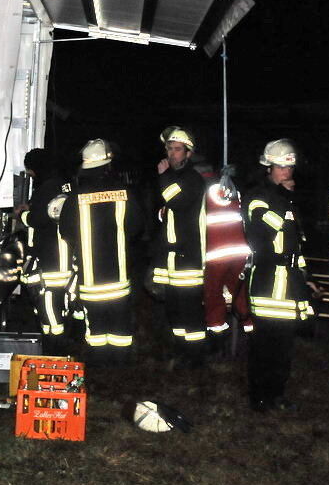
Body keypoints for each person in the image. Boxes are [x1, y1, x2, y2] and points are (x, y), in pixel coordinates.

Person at [243, 140, 315, 412]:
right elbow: (263, 233)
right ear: (268, 167)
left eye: (290, 167)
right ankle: (259, 398)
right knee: (264, 346)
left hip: (289, 284)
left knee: (284, 347)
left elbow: (295, 242)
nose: (287, 172)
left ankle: (277, 395)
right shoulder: (257, 197)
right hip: (266, 281)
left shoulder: (288, 200)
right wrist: (283, 199)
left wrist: (305, 275)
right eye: (282, 167)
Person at [58, 139, 142, 362]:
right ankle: (121, 366)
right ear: (108, 165)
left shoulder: (75, 197)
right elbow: (136, 228)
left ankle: (100, 365)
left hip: (90, 279)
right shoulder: (124, 193)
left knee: (96, 329)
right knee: (120, 327)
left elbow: (65, 232)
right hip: (119, 276)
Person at [153, 126, 207, 368]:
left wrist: (163, 175)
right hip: (172, 259)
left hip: (189, 260)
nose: (172, 154)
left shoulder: (191, 179)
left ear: (188, 153)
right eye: (169, 149)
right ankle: (180, 352)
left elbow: (175, 199)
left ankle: (195, 359)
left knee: (190, 313)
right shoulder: (176, 179)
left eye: (177, 150)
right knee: (174, 311)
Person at [20, 149, 74, 353]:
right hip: (65, 252)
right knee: (61, 298)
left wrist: (23, 214)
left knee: (50, 298)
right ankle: (59, 339)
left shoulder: (47, 187)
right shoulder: (64, 183)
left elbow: (39, 219)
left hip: (53, 254)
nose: (31, 176)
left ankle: (55, 345)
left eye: (31, 172)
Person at [195, 159, 253, 350]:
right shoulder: (229, 186)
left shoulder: (198, 188)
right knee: (240, 294)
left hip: (215, 253)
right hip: (239, 250)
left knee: (213, 296)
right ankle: (252, 333)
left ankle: (217, 339)